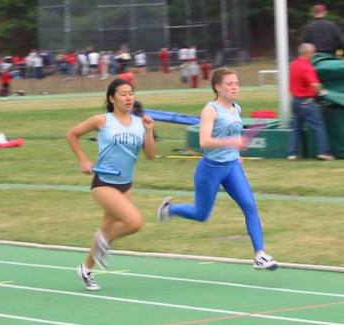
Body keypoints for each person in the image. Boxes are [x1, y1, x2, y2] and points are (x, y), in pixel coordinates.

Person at [157, 67, 278, 271]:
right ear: (218, 87)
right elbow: (204, 141)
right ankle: (170, 210)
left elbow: (234, 136)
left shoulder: (236, 109)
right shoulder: (210, 110)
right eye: (230, 84)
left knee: (250, 206)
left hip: (231, 167)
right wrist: (232, 142)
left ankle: (260, 255)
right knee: (201, 214)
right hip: (210, 169)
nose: (234, 87)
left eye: (236, 83)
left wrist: (237, 154)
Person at [66, 79, 156, 290]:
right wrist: (83, 160)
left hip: (126, 185)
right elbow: (71, 134)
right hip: (104, 183)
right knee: (134, 222)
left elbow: (151, 156)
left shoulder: (139, 123)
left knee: (106, 230)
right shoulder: (102, 120)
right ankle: (103, 245)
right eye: (123, 94)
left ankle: (86, 269)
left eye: (131, 93)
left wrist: (149, 130)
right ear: (112, 98)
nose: (128, 97)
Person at [288, 43, 335, 161]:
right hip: (306, 101)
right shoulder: (306, 67)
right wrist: (323, 92)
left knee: (296, 128)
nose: (313, 55)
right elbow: (314, 84)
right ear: (308, 53)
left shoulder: (293, 65)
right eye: (312, 53)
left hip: (295, 101)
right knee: (319, 126)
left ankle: (292, 153)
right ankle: (323, 152)